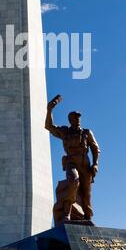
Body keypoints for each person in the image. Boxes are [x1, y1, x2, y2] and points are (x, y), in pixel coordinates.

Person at [45, 95, 100, 223]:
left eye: (79, 117)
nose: (78, 119)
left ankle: (88, 218)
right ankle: (67, 213)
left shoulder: (87, 132)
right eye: (75, 117)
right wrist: (49, 110)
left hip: (85, 163)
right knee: (74, 181)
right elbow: (49, 126)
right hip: (71, 162)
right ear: (70, 120)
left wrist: (95, 164)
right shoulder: (65, 131)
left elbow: (95, 148)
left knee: (86, 194)